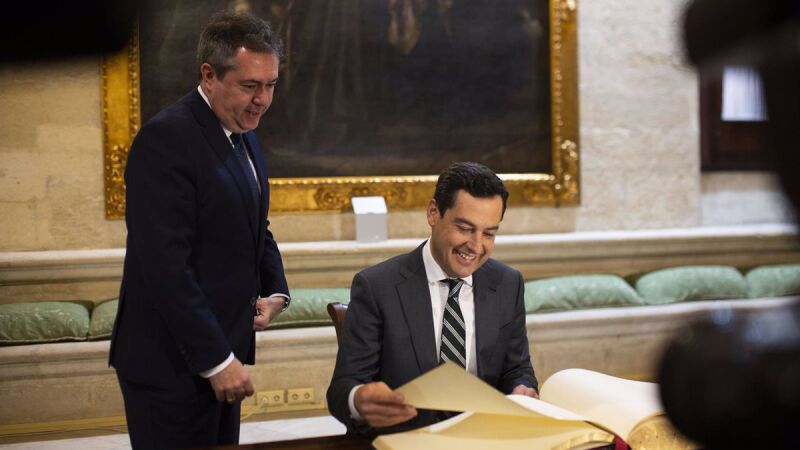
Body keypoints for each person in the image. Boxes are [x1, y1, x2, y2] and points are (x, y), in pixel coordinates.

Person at [108, 11, 290, 449]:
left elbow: (254, 224)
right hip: (172, 365)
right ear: (209, 75)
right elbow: (164, 265)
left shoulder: (242, 133)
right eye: (250, 85)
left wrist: (275, 290)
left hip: (222, 353)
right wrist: (216, 360)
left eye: (270, 85)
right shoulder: (166, 140)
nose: (263, 100)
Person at [327, 162, 538, 435]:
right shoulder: (377, 286)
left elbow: (517, 369)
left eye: (489, 233)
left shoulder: (507, 283)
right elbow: (342, 389)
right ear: (433, 213)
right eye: (464, 228)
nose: (476, 246)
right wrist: (358, 399)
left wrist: (522, 389)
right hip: (407, 439)